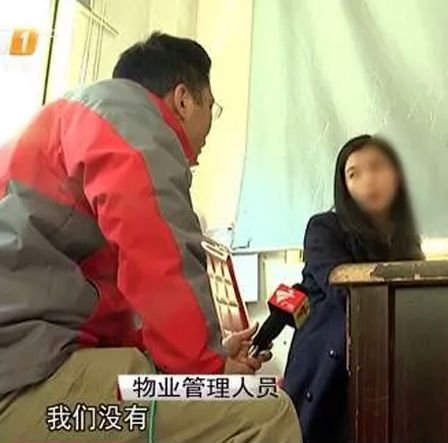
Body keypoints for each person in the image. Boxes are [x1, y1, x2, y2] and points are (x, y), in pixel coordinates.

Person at [0, 32, 302, 443]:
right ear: (183, 99)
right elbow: (160, 260)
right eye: (211, 106)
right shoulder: (132, 121)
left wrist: (205, 350)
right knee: (263, 408)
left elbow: (113, 299)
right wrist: (208, 367)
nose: (209, 126)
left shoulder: (75, 119)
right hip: (23, 381)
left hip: (29, 361)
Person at [283, 134, 424, 443]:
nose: (368, 180)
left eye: (376, 167)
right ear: (343, 186)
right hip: (329, 372)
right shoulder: (324, 227)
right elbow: (343, 289)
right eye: (354, 173)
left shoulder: (406, 240)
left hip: (385, 368)